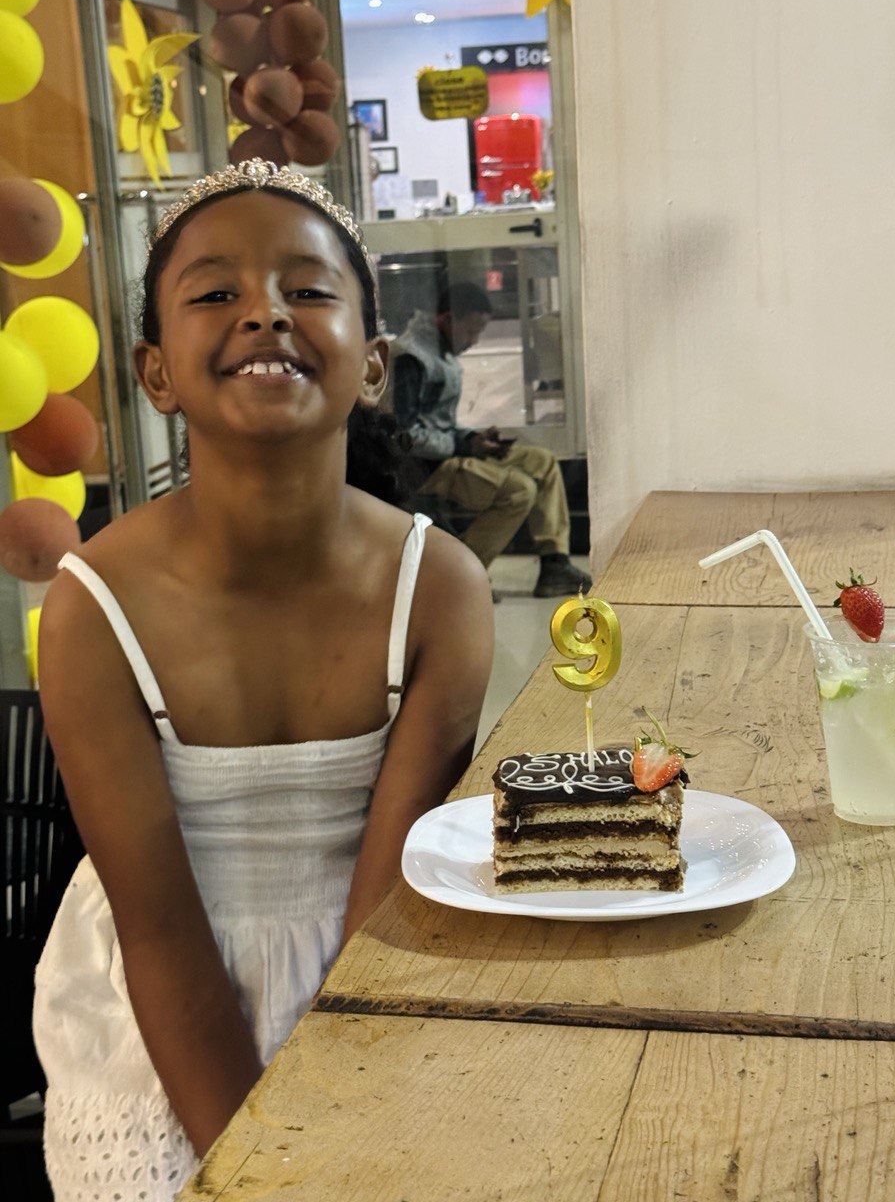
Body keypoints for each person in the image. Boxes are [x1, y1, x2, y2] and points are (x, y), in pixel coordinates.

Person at [32, 159, 493, 1201]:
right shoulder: (91, 606)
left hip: (377, 977)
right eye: (214, 292)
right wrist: (260, 1175)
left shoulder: (441, 590)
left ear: (372, 364)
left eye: (308, 289)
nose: (265, 314)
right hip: (157, 1009)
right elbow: (156, 927)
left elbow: (387, 912)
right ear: (156, 372)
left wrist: (331, 1126)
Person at [390, 281, 591, 598]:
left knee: (543, 462)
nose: (473, 342)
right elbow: (405, 436)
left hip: (446, 452)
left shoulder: (438, 351)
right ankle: (458, 574)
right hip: (422, 467)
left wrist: (473, 439)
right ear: (447, 320)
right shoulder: (411, 357)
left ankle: (555, 564)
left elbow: (437, 423)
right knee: (518, 491)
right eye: (471, 333)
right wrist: (465, 446)